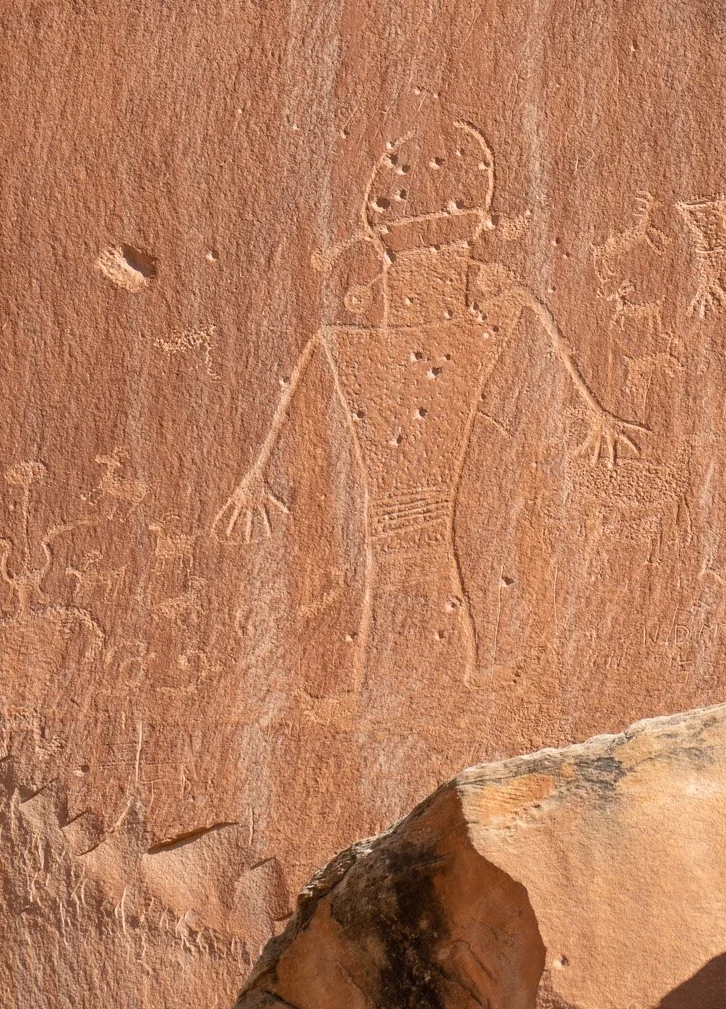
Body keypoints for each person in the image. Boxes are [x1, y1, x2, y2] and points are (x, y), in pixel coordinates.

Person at [215, 113, 641, 707]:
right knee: (412, 529)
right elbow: (532, 313)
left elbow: (317, 352)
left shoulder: (350, 340)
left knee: (401, 529)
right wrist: (595, 415)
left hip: (403, 358)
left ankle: (397, 673)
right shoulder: (476, 318)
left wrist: (257, 475)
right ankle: (434, 666)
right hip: (430, 354)